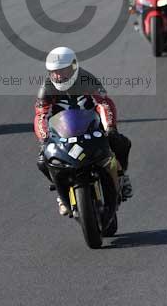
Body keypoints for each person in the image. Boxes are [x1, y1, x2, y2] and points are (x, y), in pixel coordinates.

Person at [34, 47, 133, 216]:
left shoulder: (87, 79)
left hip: (92, 127)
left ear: (73, 67)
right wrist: (44, 139)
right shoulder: (47, 87)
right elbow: (41, 115)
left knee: (121, 142)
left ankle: (122, 177)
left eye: (63, 70)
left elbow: (104, 103)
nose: (59, 76)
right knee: (43, 160)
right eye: (54, 72)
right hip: (63, 133)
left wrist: (110, 128)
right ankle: (61, 192)